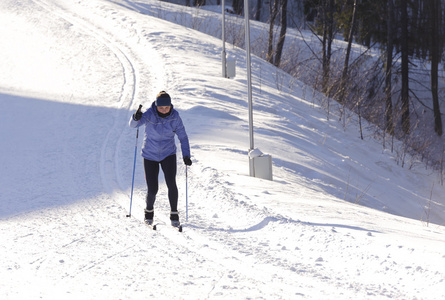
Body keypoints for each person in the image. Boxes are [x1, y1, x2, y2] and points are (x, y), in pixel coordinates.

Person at [129, 91, 192, 227]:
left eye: (167, 107)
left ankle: (174, 214)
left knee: (171, 183)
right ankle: (148, 212)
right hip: (150, 155)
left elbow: (183, 137)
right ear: (156, 106)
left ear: (170, 106)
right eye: (161, 108)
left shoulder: (175, 117)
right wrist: (135, 117)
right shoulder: (150, 114)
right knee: (153, 189)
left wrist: (186, 155)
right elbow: (133, 125)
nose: (164, 110)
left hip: (168, 154)